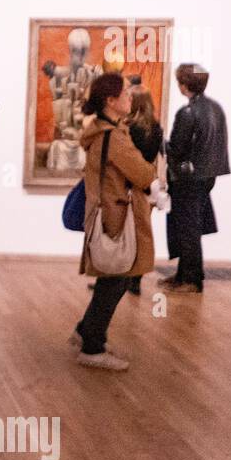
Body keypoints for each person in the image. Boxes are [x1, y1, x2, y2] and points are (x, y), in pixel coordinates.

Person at [72, 73, 169, 371]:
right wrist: (156, 188)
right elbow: (137, 169)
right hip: (116, 213)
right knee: (116, 278)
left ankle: (87, 331)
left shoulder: (110, 129)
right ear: (111, 101)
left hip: (113, 209)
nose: (130, 97)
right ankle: (91, 346)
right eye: (125, 94)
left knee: (111, 277)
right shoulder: (112, 135)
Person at [162, 64, 230, 293]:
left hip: (188, 178)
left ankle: (191, 279)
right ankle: (185, 274)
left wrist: (158, 143)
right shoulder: (216, 108)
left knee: (188, 227)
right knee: (191, 225)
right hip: (207, 175)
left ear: (183, 85)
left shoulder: (188, 112)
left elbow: (177, 148)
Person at [123, 86, 164, 295]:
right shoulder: (156, 128)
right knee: (141, 232)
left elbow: (128, 159)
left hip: (129, 184)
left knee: (122, 232)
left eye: (129, 97)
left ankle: (115, 279)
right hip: (147, 183)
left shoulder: (129, 128)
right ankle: (135, 279)